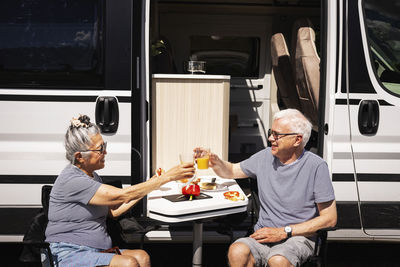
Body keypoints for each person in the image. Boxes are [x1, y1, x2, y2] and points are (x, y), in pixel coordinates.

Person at [45, 114, 195, 267]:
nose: (105, 152)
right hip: (70, 253)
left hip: (96, 250)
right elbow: (121, 195)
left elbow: (113, 212)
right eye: (100, 149)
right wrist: (166, 178)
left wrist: (152, 184)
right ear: (79, 157)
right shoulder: (72, 180)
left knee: (142, 257)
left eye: (105, 146)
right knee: (128, 263)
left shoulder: (92, 176)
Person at [194, 109, 337, 267]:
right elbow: (231, 171)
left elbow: (330, 219)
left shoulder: (316, 166)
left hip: (299, 237)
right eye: (271, 132)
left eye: (277, 135)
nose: (270, 138)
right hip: (264, 234)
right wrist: (215, 161)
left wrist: (283, 232)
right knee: (237, 251)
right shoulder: (264, 157)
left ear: (297, 140)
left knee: (277, 260)